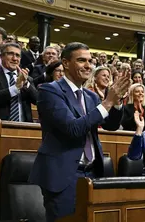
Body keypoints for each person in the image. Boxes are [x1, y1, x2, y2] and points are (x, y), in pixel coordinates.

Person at [29, 42, 131, 222]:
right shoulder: (49, 91)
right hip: (63, 176)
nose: (88, 65)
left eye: (90, 61)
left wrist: (116, 102)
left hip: (92, 174)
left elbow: (111, 126)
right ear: (65, 63)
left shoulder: (90, 96)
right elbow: (73, 128)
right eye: (81, 60)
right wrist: (107, 102)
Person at [0, 43, 37, 122]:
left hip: (23, 128)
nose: (15, 58)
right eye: (10, 54)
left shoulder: (27, 78)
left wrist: (26, 83)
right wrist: (15, 88)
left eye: (17, 55)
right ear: (1, 56)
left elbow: (37, 101)